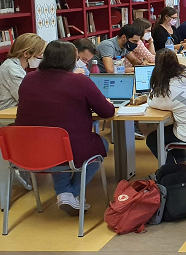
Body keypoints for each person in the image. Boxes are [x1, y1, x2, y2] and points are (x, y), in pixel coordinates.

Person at [15, 41, 115, 215]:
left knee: (56, 146)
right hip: (66, 149)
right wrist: (105, 102)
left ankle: (65, 193)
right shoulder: (80, 81)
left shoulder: (28, 79)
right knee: (101, 144)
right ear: (71, 60)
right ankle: (70, 193)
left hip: (28, 152)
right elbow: (107, 112)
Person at [0, 33, 46, 110]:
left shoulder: (14, 65)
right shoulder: (12, 69)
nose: (41, 58)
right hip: (6, 115)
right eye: (40, 54)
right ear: (26, 54)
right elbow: (27, 98)